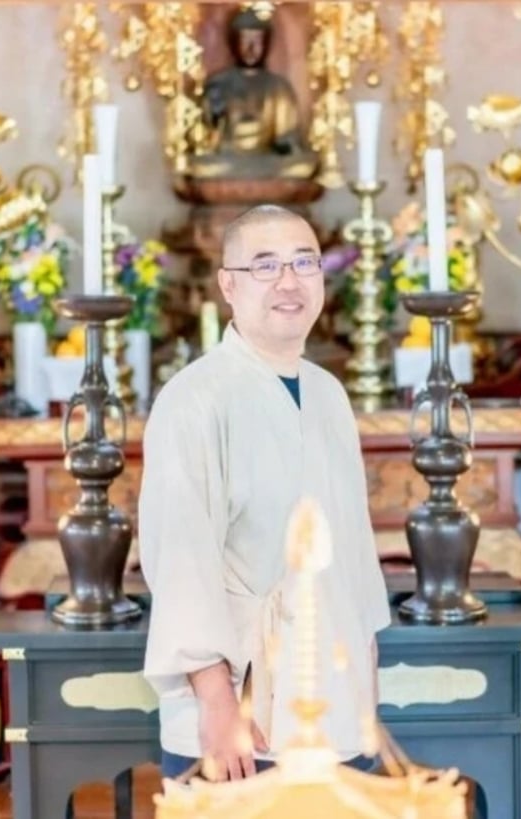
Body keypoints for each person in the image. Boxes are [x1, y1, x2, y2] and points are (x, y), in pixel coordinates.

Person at [138, 204, 390, 782]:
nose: (288, 281)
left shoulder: (328, 394)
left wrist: (365, 679)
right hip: (242, 708)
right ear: (228, 285)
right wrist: (216, 700)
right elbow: (181, 558)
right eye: (266, 265)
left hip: (335, 698)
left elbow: (354, 550)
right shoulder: (195, 398)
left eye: (304, 262)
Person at [189, 7, 318, 180]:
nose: (251, 49)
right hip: (228, 158)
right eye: (245, 41)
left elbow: (287, 138)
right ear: (234, 43)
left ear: (267, 44)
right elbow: (204, 138)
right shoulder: (218, 84)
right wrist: (214, 118)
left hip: (267, 159)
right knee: (199, 166)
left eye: (257, 41)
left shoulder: (278, 88)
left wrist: (288, 146)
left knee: (302, 166)